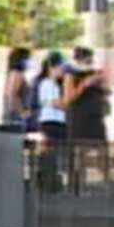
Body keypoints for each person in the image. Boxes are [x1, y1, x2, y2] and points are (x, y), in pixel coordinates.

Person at [63, 47, 112, 191]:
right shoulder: (71, 75)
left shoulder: (95, 73)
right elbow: (68, 98)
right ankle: (80, 184)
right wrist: (84, 85)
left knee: (102, 150)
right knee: (81, 152)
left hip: (95, 116)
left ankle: (107, 181)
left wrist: (102, 85)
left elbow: (106, 92)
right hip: (79, 116)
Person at [34, 51, 69, 193]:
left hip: (59, 121)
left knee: (55, 154)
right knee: (49, 153)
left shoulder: (57, 84)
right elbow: (57, 104)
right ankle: (46, 182)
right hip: (51, 122)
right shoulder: (47, 84)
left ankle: (52, 182)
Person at [2, 47, 34, 131]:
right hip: (16, 117)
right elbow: (12, 94)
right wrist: (22, 112)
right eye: (28, 58)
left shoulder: (12, 74)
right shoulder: (17, 74)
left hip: (11, 115)